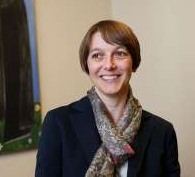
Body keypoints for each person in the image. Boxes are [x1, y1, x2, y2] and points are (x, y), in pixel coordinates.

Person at [35, 20, 180, 177]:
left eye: (120, 54)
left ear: (134, 62)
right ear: (87, 64)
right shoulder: (58, 123)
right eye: (97, 55)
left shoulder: (162, 132)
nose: (109, 65)